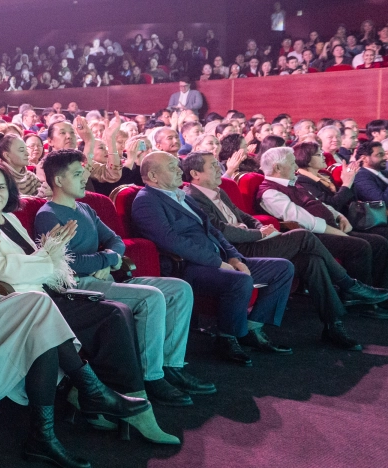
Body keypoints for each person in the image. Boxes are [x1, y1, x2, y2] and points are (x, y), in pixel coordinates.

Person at [0, 162, 176, 443]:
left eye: (1, 187)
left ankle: (116, 397)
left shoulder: (9, 218)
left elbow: (38, 261)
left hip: (45, 292)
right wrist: (48, 256)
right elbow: (5, 270)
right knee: (111, 316)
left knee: (116, 312)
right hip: (21, 304)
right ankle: (107, 399)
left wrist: (48, 255)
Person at [30, 150, 205, 398]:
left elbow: (115, 240)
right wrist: (106, 259)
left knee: (180, 289)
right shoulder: (48, 215)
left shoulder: (85, 209)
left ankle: (171, 365)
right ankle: (150, 377)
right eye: (78, 174)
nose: (85, 178)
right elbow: (66, 264)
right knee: (151, 297)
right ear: (58, 180)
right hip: (79, 286)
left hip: (104, 277)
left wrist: (108, 259)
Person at [183, 151, 385, 350]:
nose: (220, 170)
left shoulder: (220, 190)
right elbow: (220, 230)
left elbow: (242, 215)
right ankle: (349, 284)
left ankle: (333, 325)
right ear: (195, 174)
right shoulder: (192, 197)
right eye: (213, 166)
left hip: (251, 240)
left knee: (312, 261)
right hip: (236, 251)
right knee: (303, 235)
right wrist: (259, 234)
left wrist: (258, 226)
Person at [130, 152, 296, 362]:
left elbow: (214, 232)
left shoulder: (180, 195)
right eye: (173, 168)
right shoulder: (146, 201)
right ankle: (227, 339)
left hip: (217, 259)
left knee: (283, 268)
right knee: (240, 280)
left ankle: (251, 328)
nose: (180, 171)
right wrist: (217, 262)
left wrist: (234, 258)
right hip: (188, 268)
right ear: (153, 176)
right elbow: (171, 241)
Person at [257, 146, 388, 288]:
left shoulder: (292, 183)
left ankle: (379, 290)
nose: (296, 166)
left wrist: (339, 217)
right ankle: (356, 297)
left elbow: (321, 204)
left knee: (380, 242)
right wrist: (337, 232)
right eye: (292, 163)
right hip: (312, 237)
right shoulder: (270, 192)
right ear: (278, 168)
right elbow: (304, 220)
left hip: (331, 228)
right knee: (360, 246)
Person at [0, 131, 42, 196]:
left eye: (26, 150)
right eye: (21, 150)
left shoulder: (31, 177)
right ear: (7, 155)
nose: (27, 153)